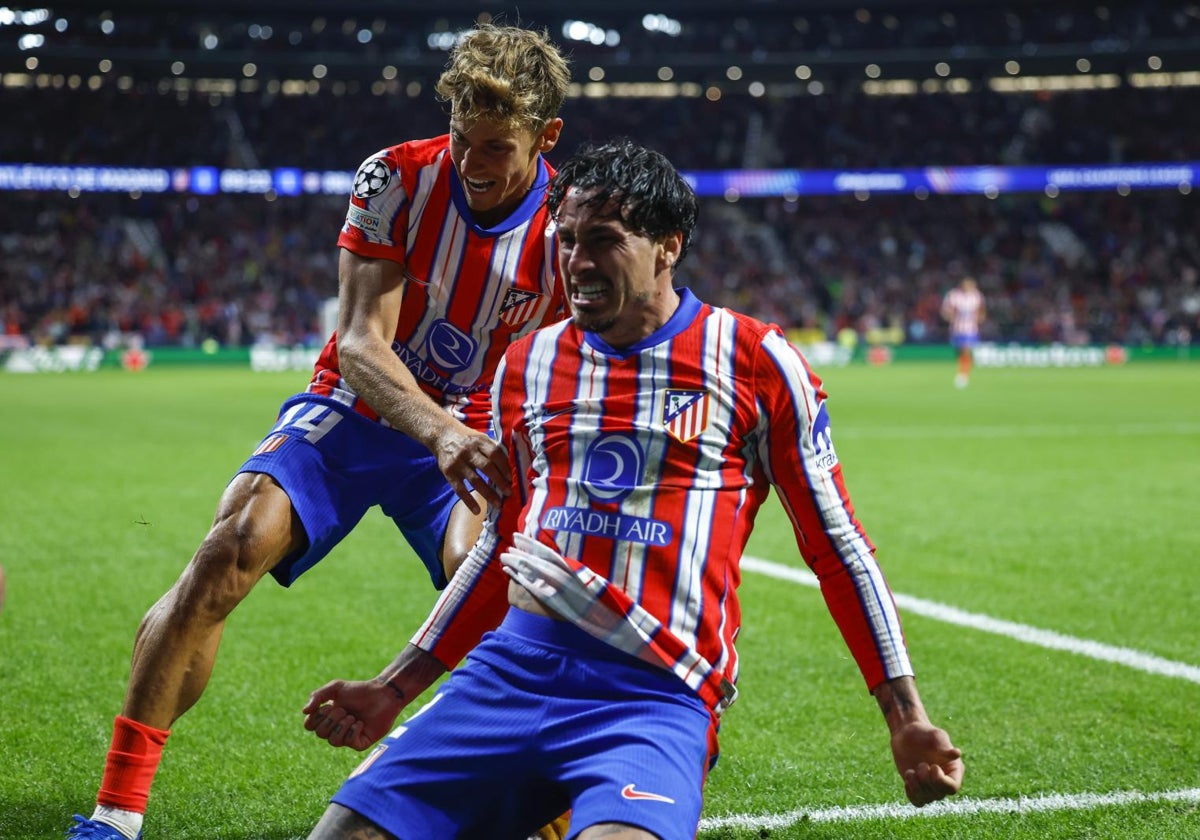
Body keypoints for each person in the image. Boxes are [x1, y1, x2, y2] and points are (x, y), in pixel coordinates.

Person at [299, 139, 965, 840]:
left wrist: (906, 716)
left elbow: (838, 549)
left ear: (667, 246)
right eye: (567, 240)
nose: (578, 263)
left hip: (654, 694)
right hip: (508, 673)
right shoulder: (527, 362)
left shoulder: (755, 362)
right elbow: (504, 543)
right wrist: (393, 687)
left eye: (604, 241)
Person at [67, 24, 572, 840]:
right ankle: (114, 817)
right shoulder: (395, 178)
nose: (473, 164)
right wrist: (438, 432)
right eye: (460, 138)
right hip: (362, 406)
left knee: (491, 591)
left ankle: (532, 800)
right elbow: (364, 343)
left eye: (496, 147)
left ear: (546, 137)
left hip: (478, 424)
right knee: (230, 548)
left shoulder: (570, 224)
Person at [941, 275, 986, 388]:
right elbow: (945, 310)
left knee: (966, 350)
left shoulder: (977, 296)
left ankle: (963, 375)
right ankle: (964, 368)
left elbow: (981, 310)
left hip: (970, 329)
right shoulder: (954, 295)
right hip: (956, 329)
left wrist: (980, 318)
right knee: (959, 352)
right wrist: (949, 316)